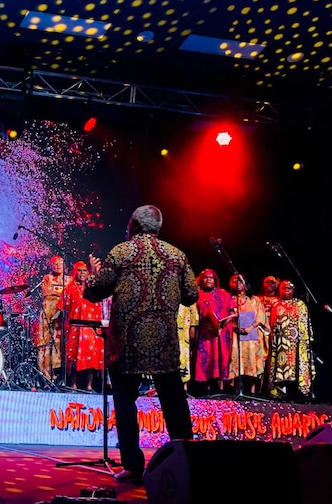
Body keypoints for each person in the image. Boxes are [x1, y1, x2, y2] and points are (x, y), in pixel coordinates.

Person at [83, 205, 197, 485]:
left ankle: (133, 467)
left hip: (127, 343)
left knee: (125, 403)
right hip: (164, 341)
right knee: (174, 401)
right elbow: (192, 294)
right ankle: (187, 461)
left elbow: (96, 292)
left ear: (133, 225)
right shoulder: (177, 255)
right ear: (158, 228)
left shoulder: (121, 252)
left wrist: (89, 278)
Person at [267, 279, 314, 401]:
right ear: (279, 290)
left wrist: (304, 341)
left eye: (289, 289)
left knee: (297, 368)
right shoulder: (276, 305)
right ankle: (281, 394)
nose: (286, 291)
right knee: (282, 369)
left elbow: (305, 324)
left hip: (297, 344)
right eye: (284, 288)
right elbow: (272, 325)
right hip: (281, 344)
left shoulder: (300, 304)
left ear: (293, 290)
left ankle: (298, 394)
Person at [63, 261, 104, 391]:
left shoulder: (93, 287)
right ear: (75, 272)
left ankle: (89, 385)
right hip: (76, 327)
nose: (82, 273)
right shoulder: (70, 287)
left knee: (91, 356)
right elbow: (64, 306)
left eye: (84, 271)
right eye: (79, 271)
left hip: (92, 328)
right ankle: (73, 384)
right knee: (75, 357)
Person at [192, 269, 233, 396]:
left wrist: (222, 325)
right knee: (206, 359)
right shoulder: (197, 296)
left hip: (221, 332)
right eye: (205, 277)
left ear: (215, 281)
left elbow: (232, 312)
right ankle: (207, 389)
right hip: (205, 333)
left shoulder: (224, 294)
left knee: (221, 358)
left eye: (211, 278)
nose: (208, 280)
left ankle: (220, 389)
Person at [227, 273, 269, 395]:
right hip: (235, 335)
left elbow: (261, 317)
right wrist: (235, 326)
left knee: (251, 362)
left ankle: (252, 392)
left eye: (240, 281)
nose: (238, 283)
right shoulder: (230, 299)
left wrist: (250, 327)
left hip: (251, 335)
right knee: (235, 361)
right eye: (235, 281)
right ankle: (236, 391)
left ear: (245, 283)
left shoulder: (255, 300)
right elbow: (227, 317)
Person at [39, 255, 66, 382]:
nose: (58, 266)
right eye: (55, 264)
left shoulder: (69, 279)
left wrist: (55, 293)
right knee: (46, 343)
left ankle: (60, 374)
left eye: (60, 263)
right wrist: (60, 293)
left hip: (62, 315)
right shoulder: (47, 278)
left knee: (60, 344)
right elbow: (46, 292)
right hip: (48, 314)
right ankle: (46, 372)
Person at [176, 302, 199, 392]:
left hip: (184, 330)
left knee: (184, 358)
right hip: (171, 329)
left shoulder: (186, 294)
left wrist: (193, 327)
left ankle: (185, 387)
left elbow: (193, 310)